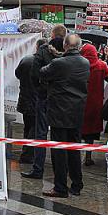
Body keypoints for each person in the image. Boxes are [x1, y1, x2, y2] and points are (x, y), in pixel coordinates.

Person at [39, 34, 90, 197]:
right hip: (77, 112)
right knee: (74, 149)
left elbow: (43, 72)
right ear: (79, 46)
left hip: (59, 112)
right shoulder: (85, 62)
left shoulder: (58, 63)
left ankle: (60, 187)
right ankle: (77, 184)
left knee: (59, 152)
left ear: (65, 45)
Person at [21, 24, 67, 179]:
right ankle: (59, 172)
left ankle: (38, 168)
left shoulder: (44, 50)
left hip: (45, 97)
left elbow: (34, 74)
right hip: (61, 99)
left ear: (52, 35)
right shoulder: (69, 51)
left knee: (40, 133)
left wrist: (40, 90)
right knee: (59, 135)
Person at [80, 43, 108, 166]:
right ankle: (88, 157)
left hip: (79, 102)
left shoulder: (79, 65)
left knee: (77, 129)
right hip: (95, 104)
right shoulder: (101, 65)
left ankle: (73, 156)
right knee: (90, 132)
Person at [15, 39, 46, 164]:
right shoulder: (46, 63)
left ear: (37, 47)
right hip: (38, 100)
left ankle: (26, 152)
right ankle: (28, 154)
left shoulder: (26, 60)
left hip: (25, 99)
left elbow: (17, 74)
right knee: (35, 129)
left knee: (27, 127)